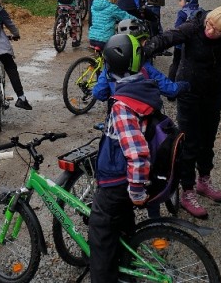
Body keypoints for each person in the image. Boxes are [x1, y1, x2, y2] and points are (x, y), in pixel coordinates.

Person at [87, 33, 186, 283]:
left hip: (117, 182)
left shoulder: (123, 105)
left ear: (109, 66)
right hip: (124, 182)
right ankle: (125, 270)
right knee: (123, 225)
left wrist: (137, 190)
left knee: (100, 234)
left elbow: (137, 152)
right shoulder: (145, 88)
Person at [142, 5, 221, 219]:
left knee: (208, 139)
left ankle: (204, 180)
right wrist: (143, 50)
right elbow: (167, 38)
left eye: (217, 30)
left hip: (213, 92)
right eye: (210, 25)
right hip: (189, 91)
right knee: (189, 142)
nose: (210, 31)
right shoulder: (193, 27)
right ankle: (187, 191)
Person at [169, 0, 203, 80]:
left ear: (188, 0)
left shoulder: (182, 13)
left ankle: (171, 83)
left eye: (180, 0)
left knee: (176, 64)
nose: (179, 3)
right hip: (194, 45)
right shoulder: (201, 11)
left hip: (180, 46)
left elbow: (177, 28)